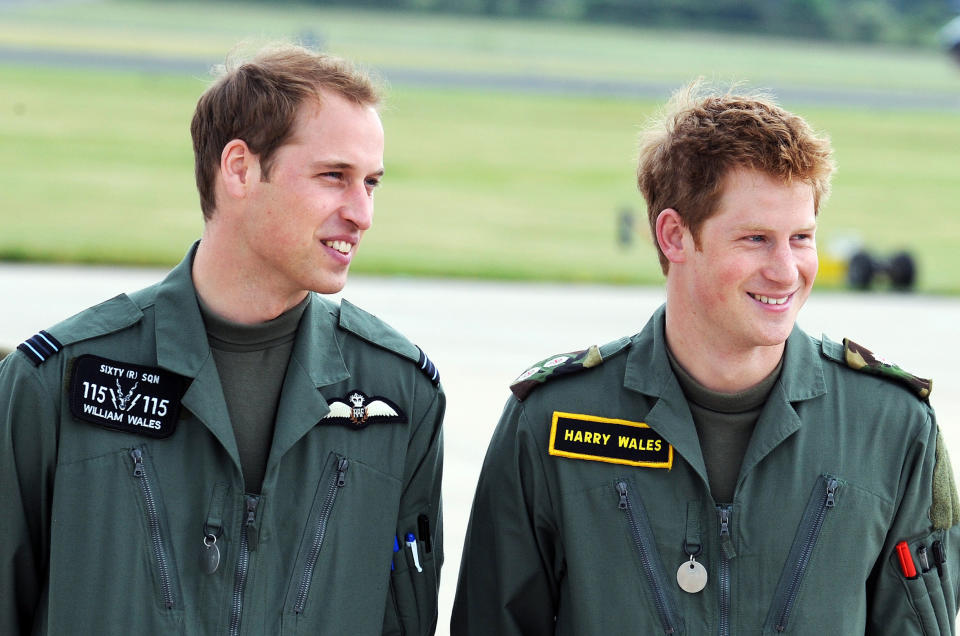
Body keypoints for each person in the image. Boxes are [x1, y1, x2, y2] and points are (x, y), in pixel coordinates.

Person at [452, 85, 960, 634]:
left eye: (801, 237)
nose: (786, 271)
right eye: (756, 239)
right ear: (674, 235)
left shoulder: (893, 428)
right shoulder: (552, 422)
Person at [0, 45, 444, 635]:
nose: (361, 213)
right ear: (239, 168)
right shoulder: (57, 380)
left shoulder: (399, 395)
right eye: (334, 176)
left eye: (371, 183)